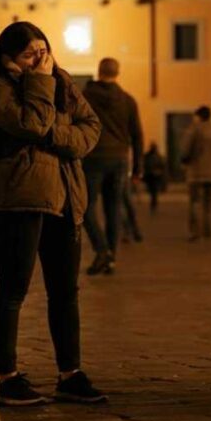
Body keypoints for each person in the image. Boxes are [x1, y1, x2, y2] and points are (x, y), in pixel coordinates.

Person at [0, 21, 106, 406]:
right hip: (23, 196)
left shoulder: (63, 81)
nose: (39, 58)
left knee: (65, 292)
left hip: (66, 197)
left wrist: (56, 137)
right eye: (29, 53)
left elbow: (91, 129)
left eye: (43, 49)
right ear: (8, 59)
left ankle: (70, 373)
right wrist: (40, 83)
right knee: (13, 288)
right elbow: (32, 122)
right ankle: (8, 377)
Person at [82, 57, 143, 275]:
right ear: (118, 73)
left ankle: (102, 250)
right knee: (113, 209)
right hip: (119, 159)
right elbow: (137, 136)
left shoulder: (86, 96)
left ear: (99, 71)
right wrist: (137, 169)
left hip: (93, 158)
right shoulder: (128, 100)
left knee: (85, 207)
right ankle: (111, 258)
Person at [180, 105, 211, 241]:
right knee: (208, 204)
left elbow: (186, 149)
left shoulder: (194, 129)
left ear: (199, 116)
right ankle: (208, 230)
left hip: (196, 172)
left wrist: (184, 160)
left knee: (195, 202)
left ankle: (195, 232)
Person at [142, 142, 167, 214]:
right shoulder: (157, 157)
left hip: (154, 177)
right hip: (152, 176)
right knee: (153, 193)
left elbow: (162, 167)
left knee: (153, 193)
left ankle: (153, 205)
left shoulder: (151, 156)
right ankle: (153, 205)